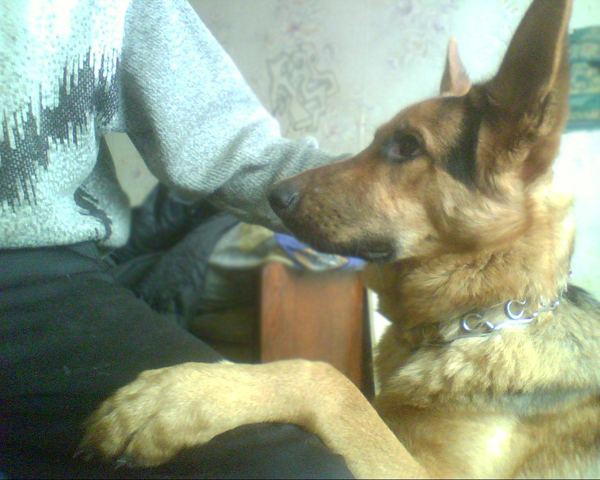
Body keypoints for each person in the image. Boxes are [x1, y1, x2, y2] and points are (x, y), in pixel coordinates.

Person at [0, 0, 354, 477]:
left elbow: (237, 151)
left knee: (297, 471)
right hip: (87, 262)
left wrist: (365, 202)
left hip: (45, 279)